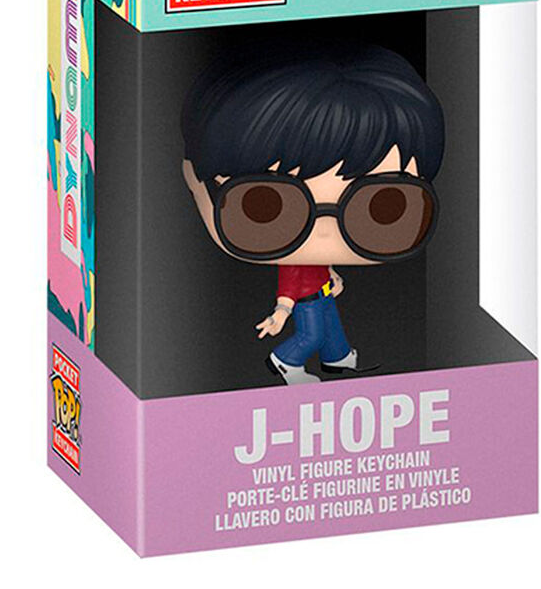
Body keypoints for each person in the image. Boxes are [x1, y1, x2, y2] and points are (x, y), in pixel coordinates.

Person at [181, 43, 445, 384]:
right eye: (266, 206)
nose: (322, 231)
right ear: (193, 179)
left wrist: (332, 274)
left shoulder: (310, 256)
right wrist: (282, 310)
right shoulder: (293, 259)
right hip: (305, 299)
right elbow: (290, 283)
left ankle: (338, 359)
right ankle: (284, 360)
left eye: (382, 207)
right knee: (312, 334)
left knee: (331, 328)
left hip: (322, 291)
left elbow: (317, 264)